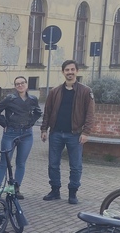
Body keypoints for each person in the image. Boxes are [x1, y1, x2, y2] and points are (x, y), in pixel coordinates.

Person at [40, 60, 95, 204]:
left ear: (77, 71)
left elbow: (90, 114)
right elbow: (48, 111)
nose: (69, 72)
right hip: (56, 133)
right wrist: (44, 129)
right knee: (53, 164)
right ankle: (55, 190)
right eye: (67, 70)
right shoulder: (55, 91)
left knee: (76, 166)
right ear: (63, 72)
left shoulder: (85, 91)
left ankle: (73, 193)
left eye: (72, 69)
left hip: (75, 134)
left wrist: (86, 132)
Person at [0, 76, 42, 200]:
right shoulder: (10, 99)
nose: (20, 85)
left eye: (22, 83)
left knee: (21, 163)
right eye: (17, 84)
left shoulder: (33, 99)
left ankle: (16, 188)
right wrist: (4, 123)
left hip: (27, 134)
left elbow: (38, 112)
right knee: (4, 161)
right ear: (15, 86)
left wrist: (31, 122)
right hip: (10, 133)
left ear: (26, 85)